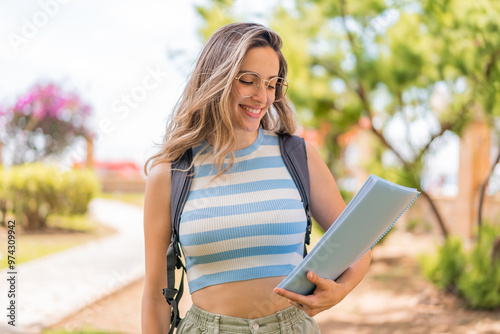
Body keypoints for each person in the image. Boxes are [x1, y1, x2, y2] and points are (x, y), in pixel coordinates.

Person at [141, 22, 372, 334]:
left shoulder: (299, 156)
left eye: (272, 83)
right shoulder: (171, 173)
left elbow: (357, 244)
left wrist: (339, 291)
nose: (262, 97)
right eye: (249, 81)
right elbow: (156, 295)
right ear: (216, 80)